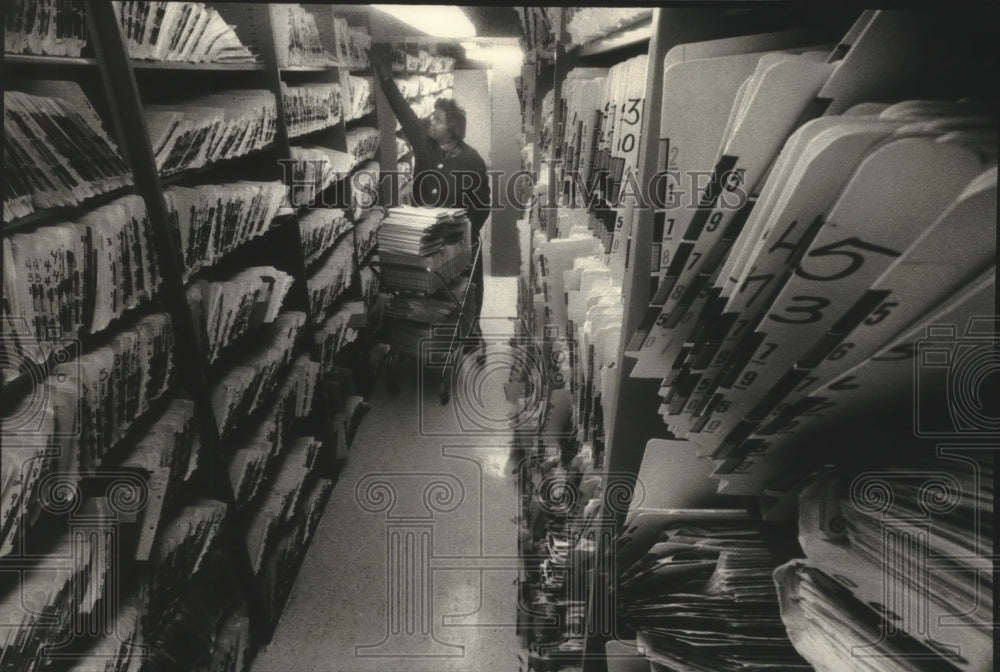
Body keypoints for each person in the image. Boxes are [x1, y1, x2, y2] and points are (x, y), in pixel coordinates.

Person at [371, 46, 491, 353]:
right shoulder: (425, 145)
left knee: (469, 287)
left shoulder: (472, 161)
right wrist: (386, 78)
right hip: (427, 241)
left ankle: (471, 333)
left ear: (450, 128)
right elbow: (405, 113)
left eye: (436, 119)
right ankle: (432, 334)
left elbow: (483, 205)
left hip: (459, 241)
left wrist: (463, 233)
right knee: (431, 293)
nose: (430, 123)